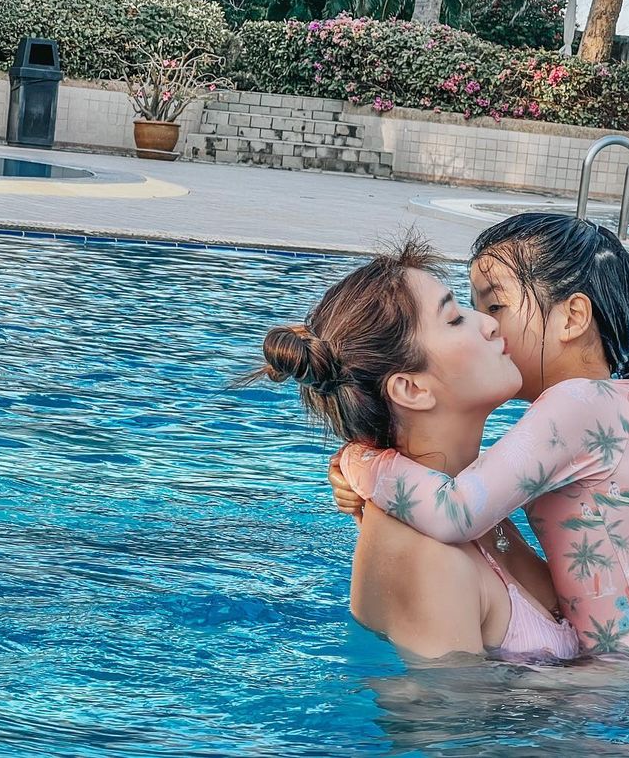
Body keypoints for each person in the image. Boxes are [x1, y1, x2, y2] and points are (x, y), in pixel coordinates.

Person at [334, 213, 629, 660]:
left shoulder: (577, 405)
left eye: (494, 307)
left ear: (572, 318)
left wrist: (362, 462)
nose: (487, 326)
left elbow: (458, 510)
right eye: (465, 313)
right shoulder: (609, 404)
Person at [242, 238, 579, 662]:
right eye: (454, 318)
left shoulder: (468, 506)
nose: (489, 324)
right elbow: (441, 707)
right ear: (411, 389)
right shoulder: (428, 557)